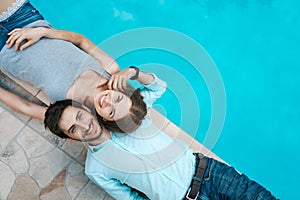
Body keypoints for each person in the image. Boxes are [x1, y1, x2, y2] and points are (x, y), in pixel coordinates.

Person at [43, 99, 277, 200]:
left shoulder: (126, 117)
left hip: (211, 174)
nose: (85, 125)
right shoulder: (95, 169)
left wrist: (132, 73)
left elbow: (156, 87)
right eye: (74, 129)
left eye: (80, 116)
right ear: (71, 139)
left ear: (86, 109)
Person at [0, 0, 147, 132]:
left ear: (107, 120)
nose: (108, 101)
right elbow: (80, 40)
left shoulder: (75, 113)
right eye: (118, 99)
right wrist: (42, 32)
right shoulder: (110, 69)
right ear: (123, 92)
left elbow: (27, 108)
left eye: (111, 112)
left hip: (6, 54)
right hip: (27, 21)